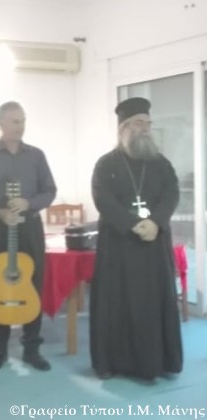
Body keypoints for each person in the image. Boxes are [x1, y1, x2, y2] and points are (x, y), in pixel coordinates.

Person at [90, 97, 183, 380]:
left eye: (148, 123)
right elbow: (103, 200)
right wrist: (132, 224)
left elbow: (171, 194)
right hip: (119, 248)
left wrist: (155, 222)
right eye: (139, 123)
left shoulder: (161, 164)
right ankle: (112, 363)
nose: (145, 128)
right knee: (116, 304)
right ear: (123, 128)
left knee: (153, 305)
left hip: (154, 245)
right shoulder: (106, 164)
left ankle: (157, 363)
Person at [0, 101, 57, 372]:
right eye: (14, 121)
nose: (20, 126)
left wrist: (28, 203)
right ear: (0, 123)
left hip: (30, 228)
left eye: (22, 121)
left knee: (33, 285)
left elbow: (50, 191)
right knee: (1, 284)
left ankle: (32, 348)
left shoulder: (36, 156)